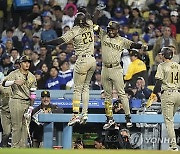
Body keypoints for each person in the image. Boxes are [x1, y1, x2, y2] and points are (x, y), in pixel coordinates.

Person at [44, 12, 96, 126]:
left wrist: (47, 43)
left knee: (77, 89)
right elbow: (93, 17)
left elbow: (59, 41)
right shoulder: (90, 24)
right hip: (92, 60)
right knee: (86, 88)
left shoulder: (75, 29)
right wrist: (96, 11)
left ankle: (75, 115)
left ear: (76, 21)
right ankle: (85, 113)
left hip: (82, 60)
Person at [93, 20, 146, 129]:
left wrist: (143, 46)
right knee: (107, 95)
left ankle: (128, 117)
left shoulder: (122, 40)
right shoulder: (103, 35)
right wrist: (96, 13)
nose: (111, 31)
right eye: (109, 29)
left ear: (117, 30)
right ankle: (109, 118)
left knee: (121, 94)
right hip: (105, 68)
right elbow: (94, 26)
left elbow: (133, 44)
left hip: (116, 68)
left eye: (113, 29)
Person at [2, 55, 37, 148]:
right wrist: (14, 82)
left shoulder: (32, 76)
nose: (27, 64)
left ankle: (23, 147)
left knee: (26, 126)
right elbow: (4, 83)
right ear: (20, 63)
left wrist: (31, 107)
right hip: (16, 100)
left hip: (27, 102)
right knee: (16, 125)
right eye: (25, 62)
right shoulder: (14, 74)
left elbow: (33, 93)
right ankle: (15, 147)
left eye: (28, 62)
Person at [150, 47, 180, 151]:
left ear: (165, 55)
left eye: (161, 54)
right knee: (170, 119)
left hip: (168, 94)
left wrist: (153, 94)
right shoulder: (177, 65)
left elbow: (158, 82)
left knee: (169, 121)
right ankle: (174, 143)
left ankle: (173, 146)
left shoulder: (162, 65)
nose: (160, 56)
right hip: (178, 94)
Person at [0, 72, 11, 147]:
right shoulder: (2, 87)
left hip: (16, 112)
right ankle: (4, 146)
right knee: (6, 132)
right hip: (5, 112)